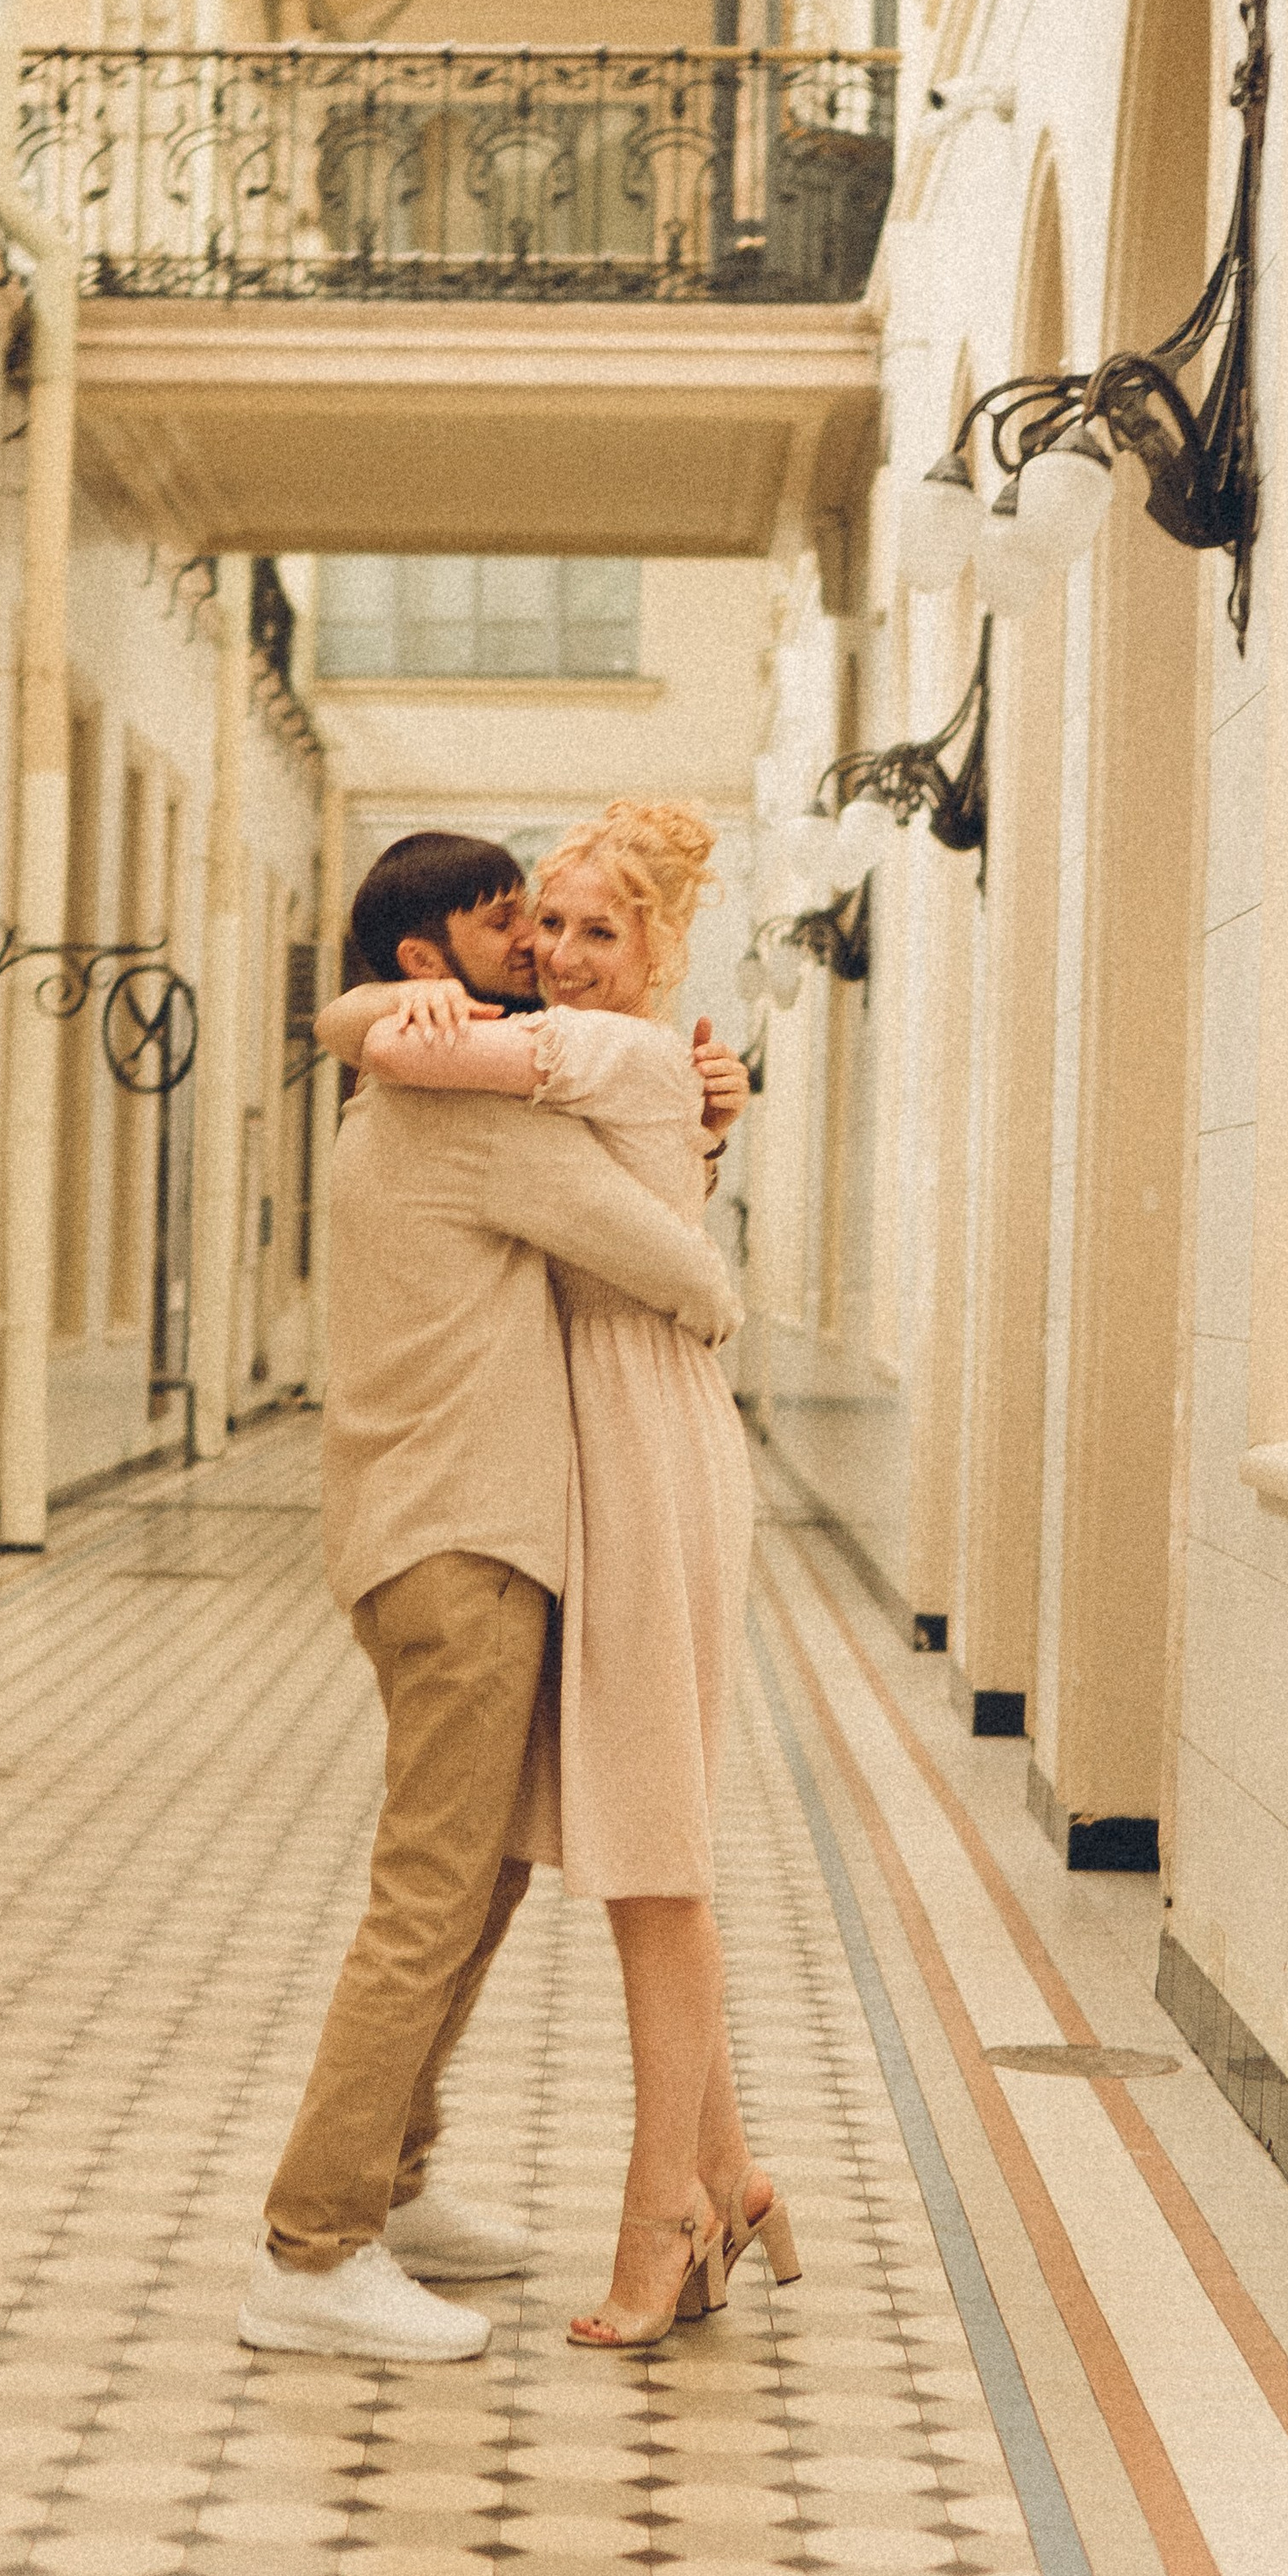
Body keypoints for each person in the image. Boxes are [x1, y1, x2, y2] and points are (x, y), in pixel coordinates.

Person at [237, 831, 746, 2365]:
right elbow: (670, 1266)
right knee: (428, 1899)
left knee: (480, 1883)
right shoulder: (455, 1104)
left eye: (559, 924)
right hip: (458, 1545)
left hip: (447, 1536)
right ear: (423, 966)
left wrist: (693, 1112)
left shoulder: (428, 1081)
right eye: (507, 924)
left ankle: (391, 2181)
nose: (534, 950)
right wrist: (695, 1184)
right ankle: (312, 2248)